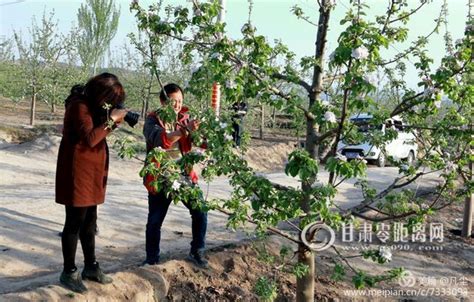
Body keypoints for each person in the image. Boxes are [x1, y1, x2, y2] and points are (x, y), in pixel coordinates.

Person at [55, 73, 128, 293]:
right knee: (75, 222)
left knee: (90, 221)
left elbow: (99, 134)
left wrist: (114, 121)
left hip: (93, 170)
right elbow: (90, 138)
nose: (113, 105)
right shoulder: (79, 106)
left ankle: (91, 267)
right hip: (78, 171)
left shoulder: (94, 107)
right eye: (111, 100)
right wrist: (112, 120)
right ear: (100, 94)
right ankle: (68, 272)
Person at [142, 83, 208, 268]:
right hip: (161, 175)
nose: (177, 105)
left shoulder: (185, 118)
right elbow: (161, 140)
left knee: (200, 210)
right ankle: (152, 258)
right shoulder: (152, 120)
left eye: (180, 101)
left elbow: (202, 143)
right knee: (155, 220)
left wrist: (207, 135)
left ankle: (198, 250)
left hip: (183, 175)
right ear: (163, 102)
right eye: (173, 101)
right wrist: (184, 130)